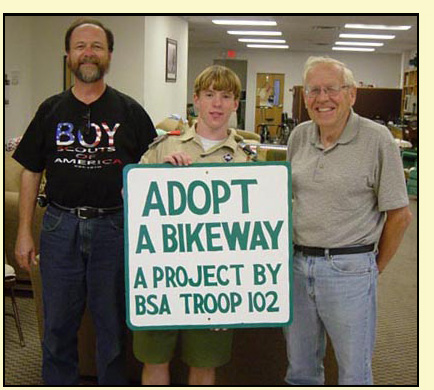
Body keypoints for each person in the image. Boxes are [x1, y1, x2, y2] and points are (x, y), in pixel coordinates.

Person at [13, 17, 157, 385]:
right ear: (68, 55)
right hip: (60, 228)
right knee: (58, 326)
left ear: (109, 54)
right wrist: (23, 234)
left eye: (96, 46)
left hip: (115, 229)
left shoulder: (130, 112)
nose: (88, 53)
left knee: (112, 329)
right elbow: (29, 170)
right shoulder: (50, 110)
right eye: (80, 47)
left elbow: (154, 172)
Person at [283, 56, 412, 385]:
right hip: (296, 267)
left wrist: (373, 267)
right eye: (313, 90)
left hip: (349, 269)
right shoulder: (298, 136)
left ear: (351, 94)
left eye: (331, 89)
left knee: (354, 371)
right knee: (300, 369)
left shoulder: (377, 139)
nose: (321, 98)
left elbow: (400, 215)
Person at [133, 65, 254, 386]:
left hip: (215, 282)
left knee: (204, 365)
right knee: (154, 360)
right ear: (196, 100)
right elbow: (130, 197)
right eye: (210, 95)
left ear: (235, 105)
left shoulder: (245, 159)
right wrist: (160, 178)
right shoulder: (165, 147)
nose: (217, 104)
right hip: (161, 276)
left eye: (225, 96)